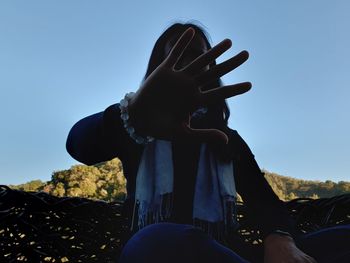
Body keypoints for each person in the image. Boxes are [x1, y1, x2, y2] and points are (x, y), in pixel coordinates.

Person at [66, 23, 349, 263]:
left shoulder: (226, 139)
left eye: (199, 56)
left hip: (227, 253)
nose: (192, 64)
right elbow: (79, 145)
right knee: (159, 238)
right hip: (154, 250)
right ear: (159, 70)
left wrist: (280, 237)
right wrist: (135, 114)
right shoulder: (137, 128)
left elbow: (265, 202)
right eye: (178, 56)